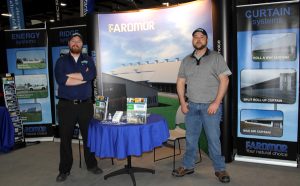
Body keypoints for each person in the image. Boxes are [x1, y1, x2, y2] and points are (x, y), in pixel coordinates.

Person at [172, 28, 232, 183]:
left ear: (206, 40)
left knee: (213, 140)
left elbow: (225, 80)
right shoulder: (186, 60)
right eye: (196, 37)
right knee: (191, 139)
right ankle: (188, 166)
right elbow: (180, 82)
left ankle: (220, 169)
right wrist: (183, 102)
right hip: (191, 107)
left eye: (202, 37)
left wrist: (216, 103)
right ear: (192, 40)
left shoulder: (216, 57)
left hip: (210, 108)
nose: (198, 39)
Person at [54, 32, 102, 182]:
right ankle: (64, 170)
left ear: (82, 45)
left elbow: (90, 75)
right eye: (73, 41)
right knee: (65, 139)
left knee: (89, 137)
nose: (76, 43)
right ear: (69, 44)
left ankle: (91, 165)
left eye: (79, 41)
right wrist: (82, 77)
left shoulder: (88, 60)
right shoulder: (61, 61)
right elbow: (62, 80)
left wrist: (72, 76)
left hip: (85, 105)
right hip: (66, 106)